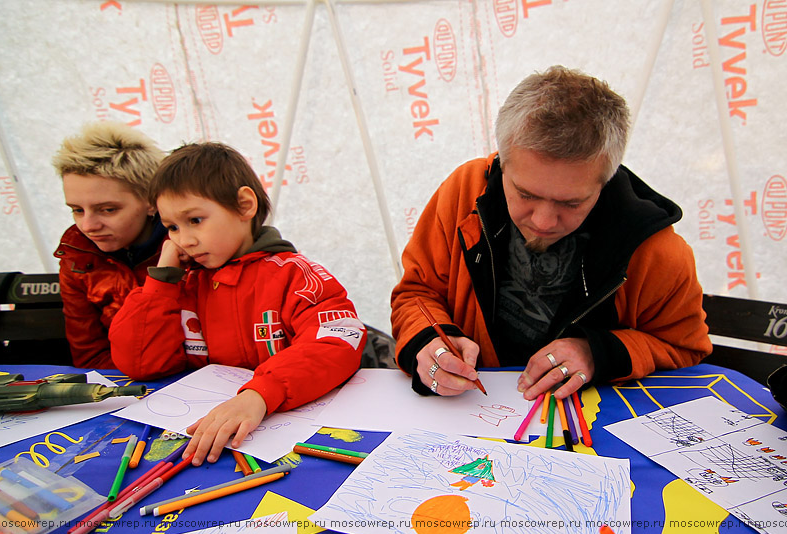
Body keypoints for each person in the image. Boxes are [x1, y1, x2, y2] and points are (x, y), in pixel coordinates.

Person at [390, 65, 712, 402]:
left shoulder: (654, 251)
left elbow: (684, 347)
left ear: (605, 180)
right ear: (502, 163)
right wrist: (429, 341)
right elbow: (417, 292)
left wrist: (599, 352)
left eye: (571, 203)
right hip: (468, 414)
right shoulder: (465, 191)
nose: (543, 222)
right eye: (526, 194)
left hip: (588, 433)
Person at [108, 142, 366, 465]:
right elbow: (139, 362)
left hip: (284, 444)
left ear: (245, 206)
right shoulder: (183, 284)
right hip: (207, 444)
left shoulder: (295, 277)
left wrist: (260, 394)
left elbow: (337, 341)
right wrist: (161, 281)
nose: (183, 240)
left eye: (195, 220)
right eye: (172, 227)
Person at [52, 121, 167, 369]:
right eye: (77, 210)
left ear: (151, 201)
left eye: (108, 209)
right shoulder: (76, 258)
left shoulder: (194, 249)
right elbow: (89, 356)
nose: (88, 225)